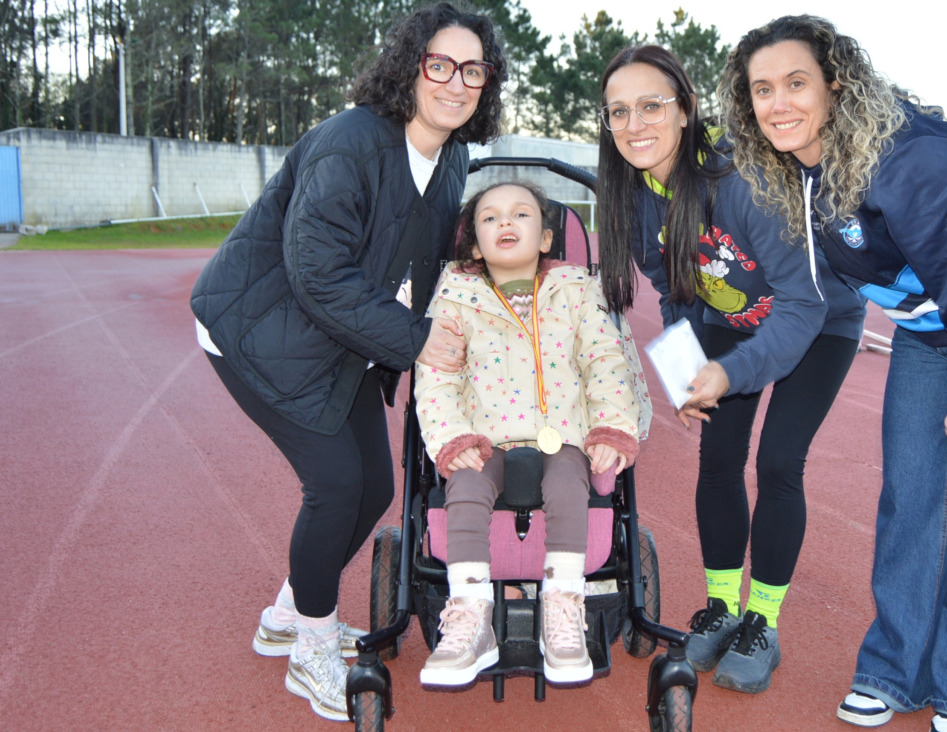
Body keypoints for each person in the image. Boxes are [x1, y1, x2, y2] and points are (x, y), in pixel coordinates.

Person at [719, 15, 947, 732]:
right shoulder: (789, 165)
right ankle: (894, 670)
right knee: (911, 499)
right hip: (924, 330)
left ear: (837, 84)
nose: (778, 103)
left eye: (796, 83)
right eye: (762, 90)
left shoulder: (905, 159)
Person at [189, 3, 505, 721]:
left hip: (345, 338)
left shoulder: (452, 154)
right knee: (335, 484)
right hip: (258, 328)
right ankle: (311, 651)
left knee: (373, 491)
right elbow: (319, 273)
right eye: (441, 65)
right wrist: (418, 341)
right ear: (410, 67)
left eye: (474, 71)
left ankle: (288, 615)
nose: (456, 83)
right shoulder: (350, 141)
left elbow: (427, 265)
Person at [596, 45, 867, 694]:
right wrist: (689, 372)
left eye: (651, 106)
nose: (635, 124)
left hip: (819, 320)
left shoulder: (741, 181)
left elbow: (802, 304)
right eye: (618, 112)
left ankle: (761, 622)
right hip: (730, 319)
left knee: (777, 463)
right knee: (717, 458)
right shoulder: (635, 200)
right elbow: (673, 291)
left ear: (686, 109)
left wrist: (732, 372)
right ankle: (720, 607)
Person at [413, 181, 642, 687]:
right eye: (490, 218)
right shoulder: (455, 296)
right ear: (474, 244)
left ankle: (563, 604)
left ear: (545, 238)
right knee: (467, 486)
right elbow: (439, 376)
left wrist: (611, 428)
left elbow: (605, 360)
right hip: (484, 436)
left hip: (564, 434)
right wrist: (452, 437)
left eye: (520, 214)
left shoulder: (578, 290)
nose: (506, 223)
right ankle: (471, 614)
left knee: (567, 482)